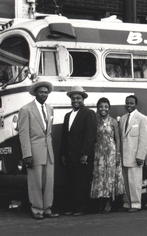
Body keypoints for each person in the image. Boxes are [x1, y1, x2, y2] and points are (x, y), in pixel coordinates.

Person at [17, 81, 57, 220]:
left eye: (46, 92)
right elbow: (23, 134)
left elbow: (49, 133)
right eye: (41, 92)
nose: (44, 94)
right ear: (35, 93)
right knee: (36, 183)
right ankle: (37, 209)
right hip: (34, 152)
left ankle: (47, 208)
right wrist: (27, 154)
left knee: (48, 182)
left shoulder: (50, 109)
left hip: (48, 153)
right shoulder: (26, 110)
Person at [60, 85, 97, 215]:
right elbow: (65, 136)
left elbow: (90, 136)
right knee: (71, 182)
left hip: (82, 155)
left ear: (83, 99)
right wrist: (63, 154)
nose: (75, 101)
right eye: (73, 98)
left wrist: (85, 154)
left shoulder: (89, 113)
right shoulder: (67, 115)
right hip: (70, 155)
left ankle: (82, 208)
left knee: (82, 182)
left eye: (78, 98)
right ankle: (72, 207)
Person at [118, 95, 147, 213]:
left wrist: (141, 155)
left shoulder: (141, 118)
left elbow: (143, 139)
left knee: (134, 181)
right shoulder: (123, 118)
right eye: (127, 103)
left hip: (135, 156)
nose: (129, 105)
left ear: (135, 104)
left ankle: (136, 204)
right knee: (125, 181)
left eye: (131, 103)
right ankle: (127, 202)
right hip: (124, 155)